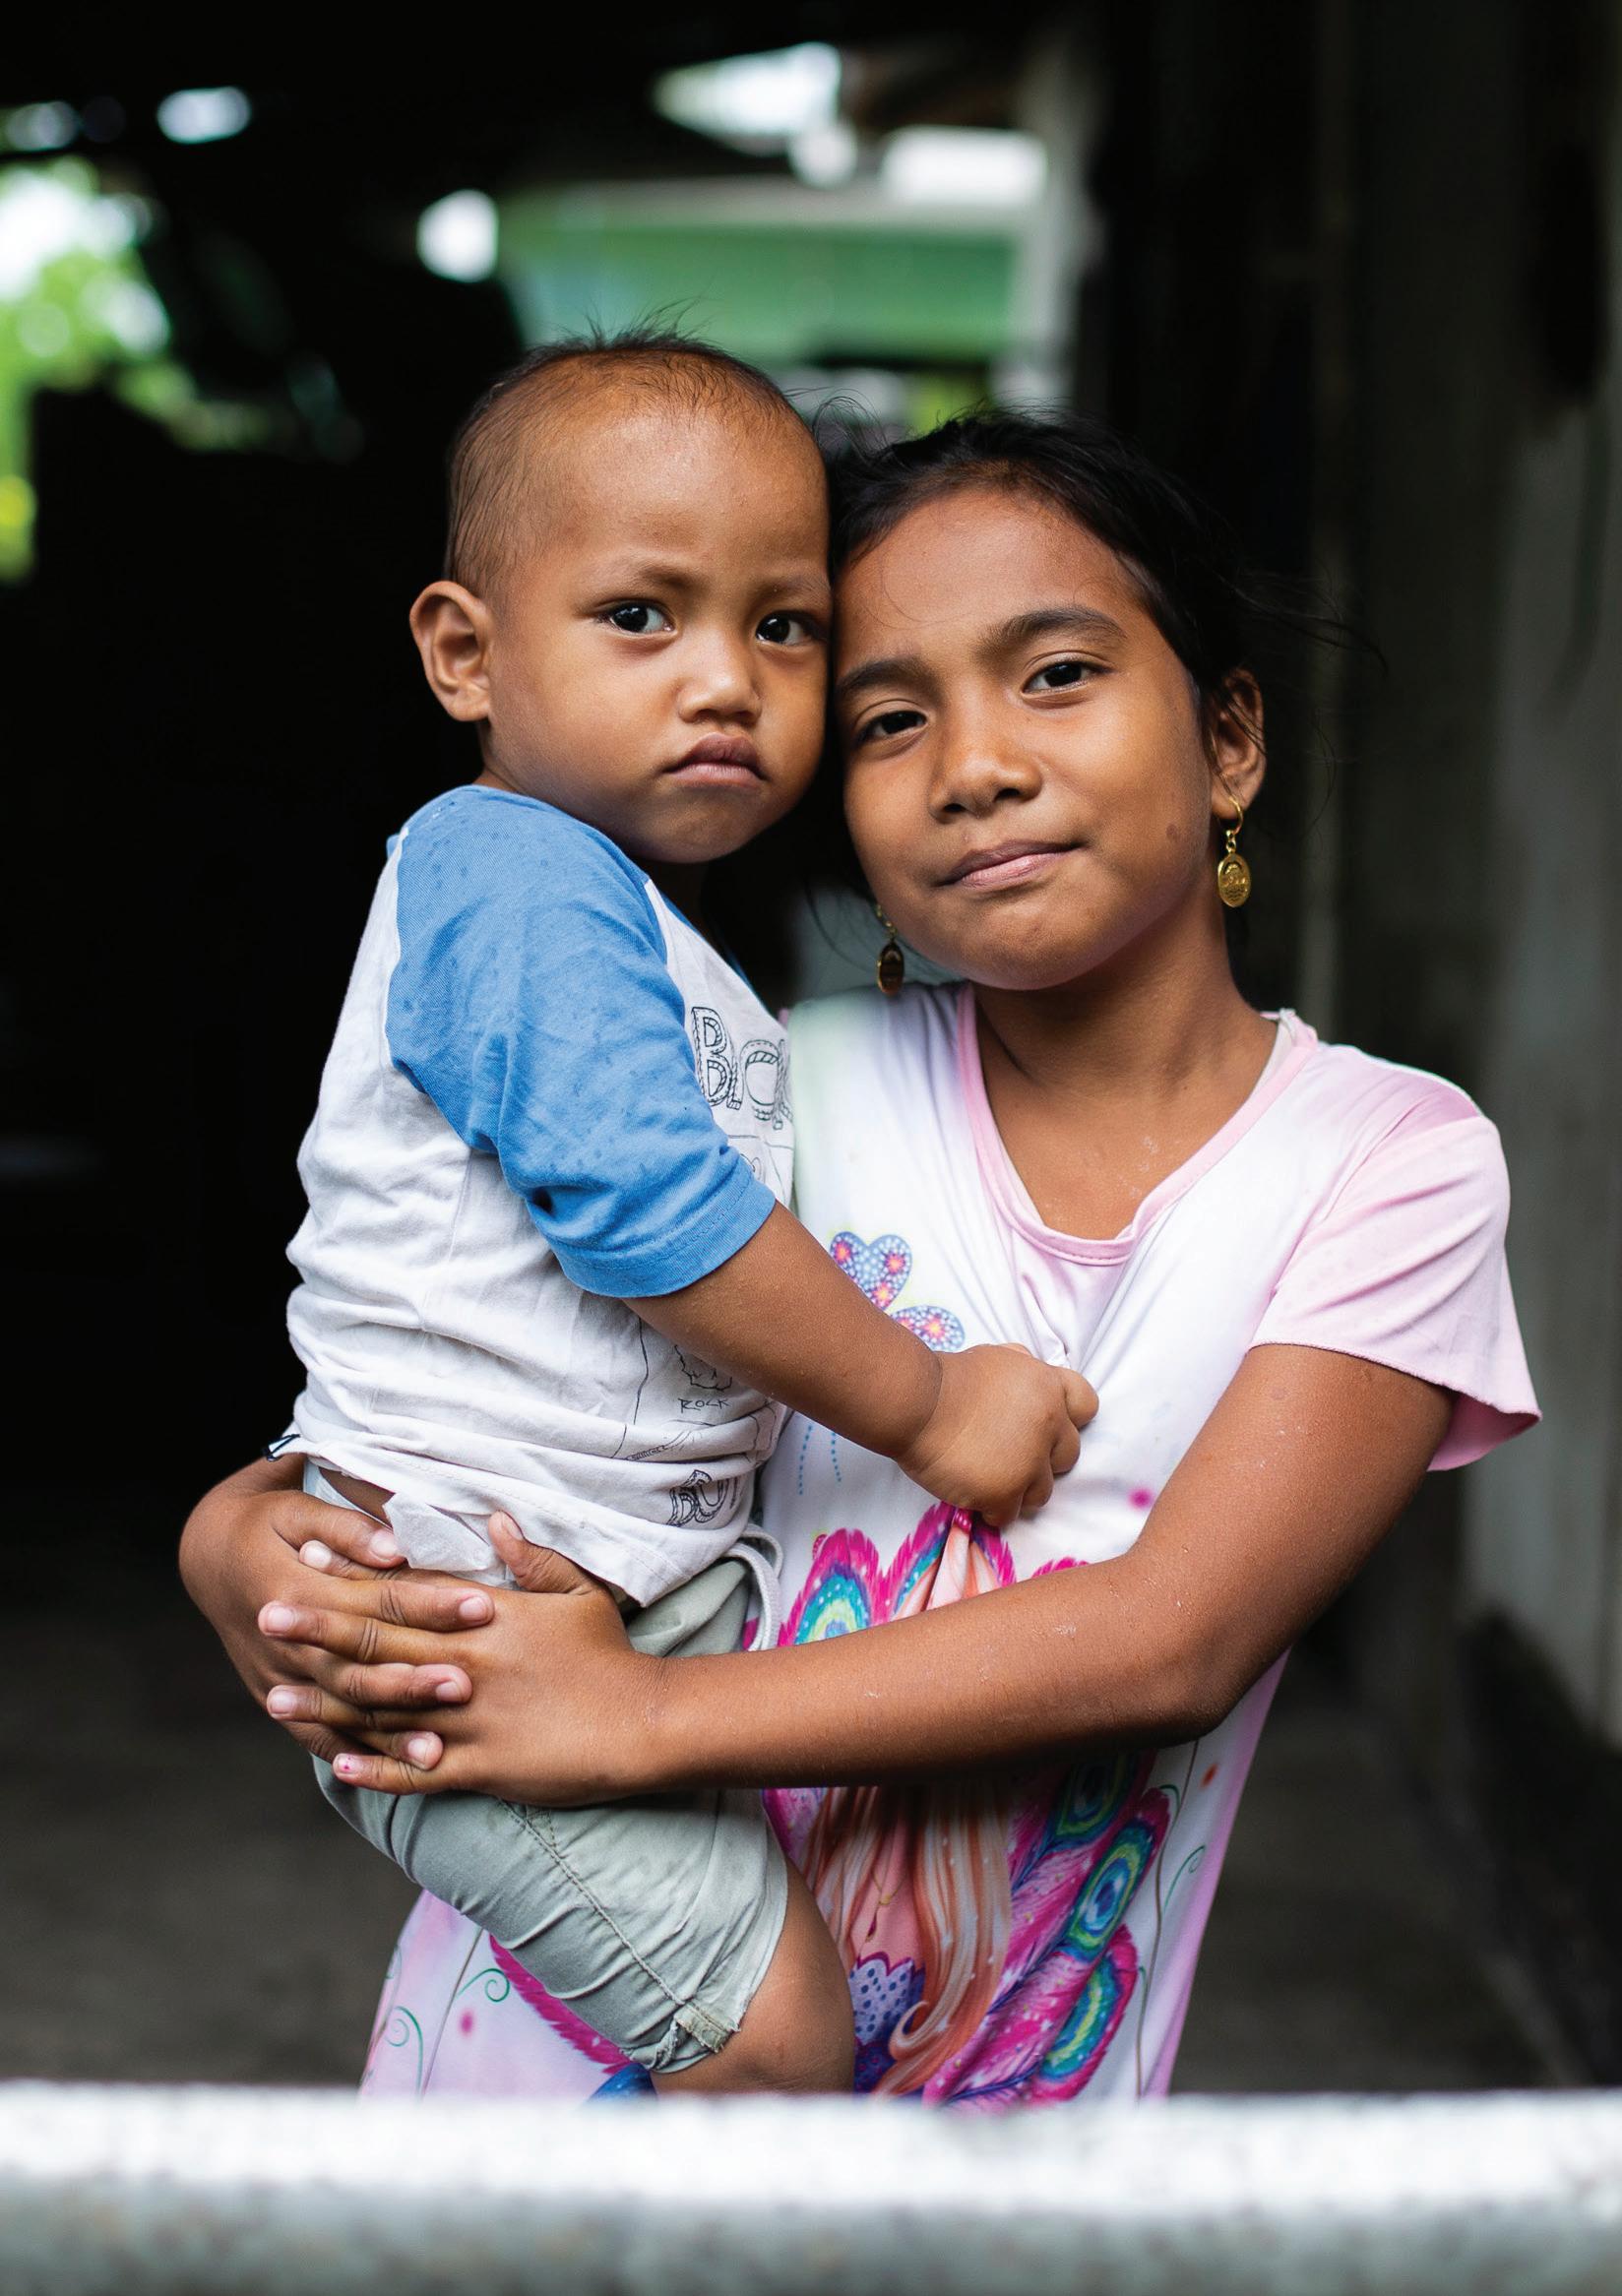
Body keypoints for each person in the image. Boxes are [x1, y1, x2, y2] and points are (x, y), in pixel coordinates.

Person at [182, 407, 1537, 2107]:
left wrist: (638, 1717)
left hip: (1002, 2145)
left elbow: (1172, 1642)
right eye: (893, 718)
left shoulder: (1389, 1164)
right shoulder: (765, 1095)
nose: (976, 764)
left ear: (1230, 736)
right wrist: (242, 1528)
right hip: (532, 2080)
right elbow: (470, 1362)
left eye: (1056, 674)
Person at [261, 338, 1093, 2099]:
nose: (726, 677)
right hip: (458, 1617)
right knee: (775, 2041)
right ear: (464, 652)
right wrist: (934, 1405)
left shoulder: (633, 920)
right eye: (641, 615)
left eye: (783, 627)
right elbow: (647, 1215)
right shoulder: (510, 872)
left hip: (578, 1592)